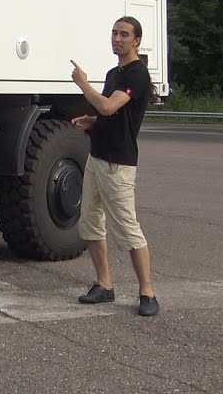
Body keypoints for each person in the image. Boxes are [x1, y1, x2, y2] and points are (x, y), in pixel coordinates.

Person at [69, 16, 159, 317]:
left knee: (127, 229)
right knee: (90, 223)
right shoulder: (114, 73)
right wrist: (92, 122)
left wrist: (83, 84)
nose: (117, 39)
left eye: (124, 34)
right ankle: (104, 285)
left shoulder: (137, 75)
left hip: (118, 163)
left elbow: (108, 106)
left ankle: (147, 292)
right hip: (97, 159)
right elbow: (108, 116)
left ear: (136, 41)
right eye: (114, 33)